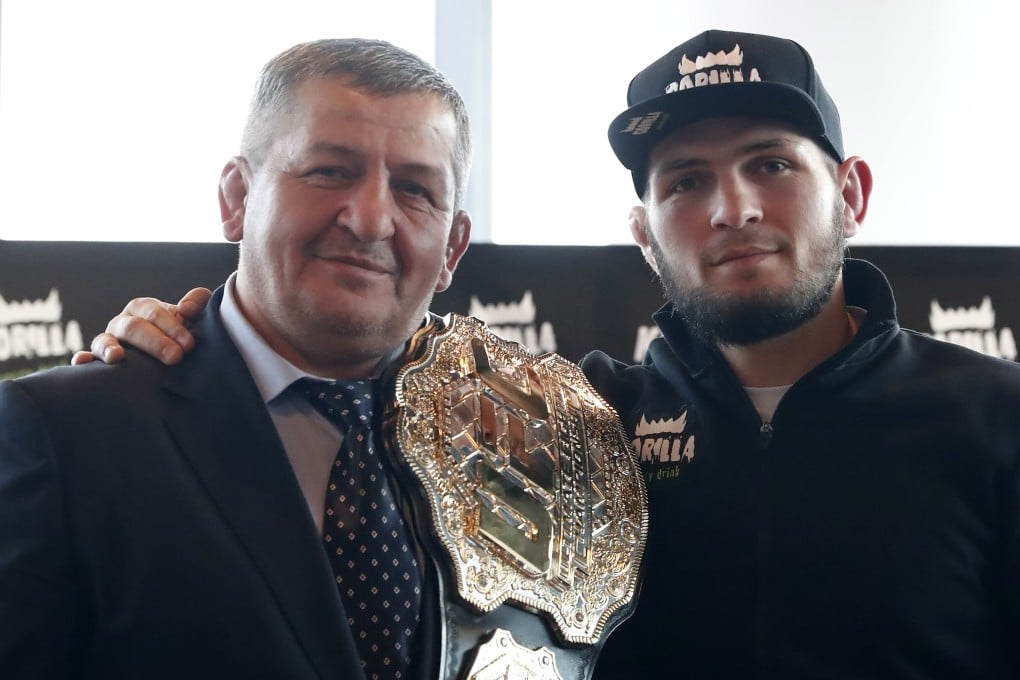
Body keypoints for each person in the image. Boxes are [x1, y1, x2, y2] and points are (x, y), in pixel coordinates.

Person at [70, 29, 1020, 678]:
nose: (732, 207)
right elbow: (335, 354)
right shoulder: (570, 419)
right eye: (687, 180)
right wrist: (192, 338)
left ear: (850, 191)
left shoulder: (993, 417)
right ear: (645, 233)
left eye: (771, 162)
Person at [0, 38, 474, 679]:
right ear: (237, 198)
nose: (369, 219)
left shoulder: (530, 444)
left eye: (415, 189)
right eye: (330, 171)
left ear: (452, 248)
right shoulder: (64, 434)